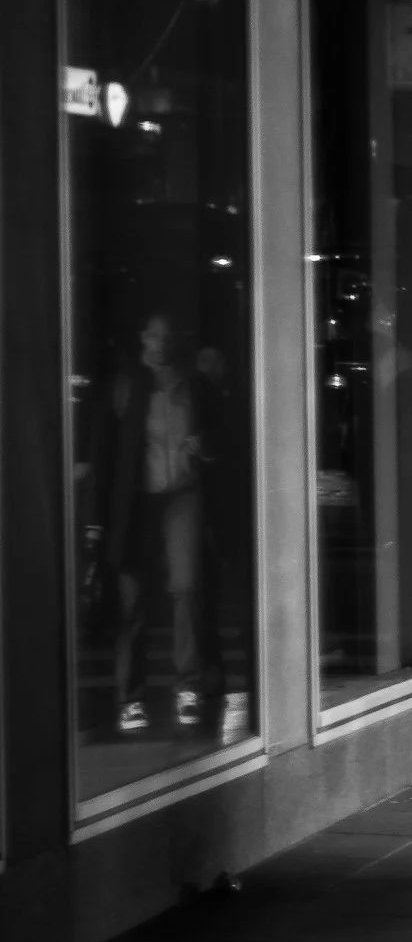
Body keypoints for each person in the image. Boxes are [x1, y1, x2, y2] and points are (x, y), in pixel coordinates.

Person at [100, 311, 222, 735]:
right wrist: (98, 520)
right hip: (139, 503)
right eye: (154, 336)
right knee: (133, 598)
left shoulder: (193, 385)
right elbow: (107, 453)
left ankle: (187, 685)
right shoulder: (127, 386)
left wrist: (205, 447)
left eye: (167, 336)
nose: (161, 343)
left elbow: (220, 437)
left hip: (182, 497)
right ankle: (130, 697)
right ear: (142, 338)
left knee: (185, 588)